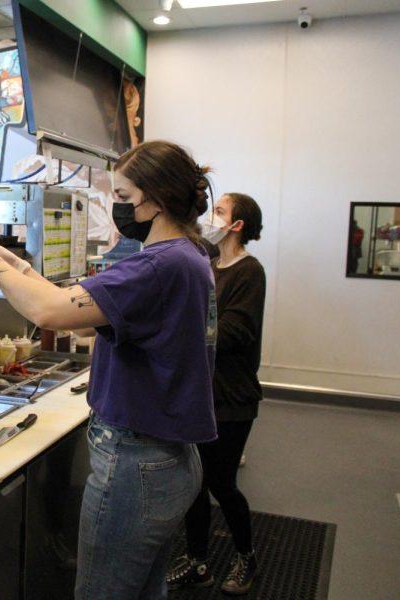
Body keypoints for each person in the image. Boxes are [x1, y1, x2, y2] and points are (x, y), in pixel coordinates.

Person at [0, 140, 217, 599]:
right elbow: (73, 305)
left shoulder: (157, 266)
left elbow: (48, 314)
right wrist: (18, 267)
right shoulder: (187, 256)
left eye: (124, 197)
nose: (117, 208)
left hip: (136, 463)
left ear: (158, 198)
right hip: (167, 460)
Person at [167, 192, 265, 595]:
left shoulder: (249, 272)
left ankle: (246, 558)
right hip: (200, 395)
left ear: (237, 225)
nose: (211, 217)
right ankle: (198, 561)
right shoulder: (207, 264)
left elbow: (235, 332)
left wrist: (182, 332)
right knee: (194, 483)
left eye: (220, 212)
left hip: (232, 398)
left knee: (222, 483)